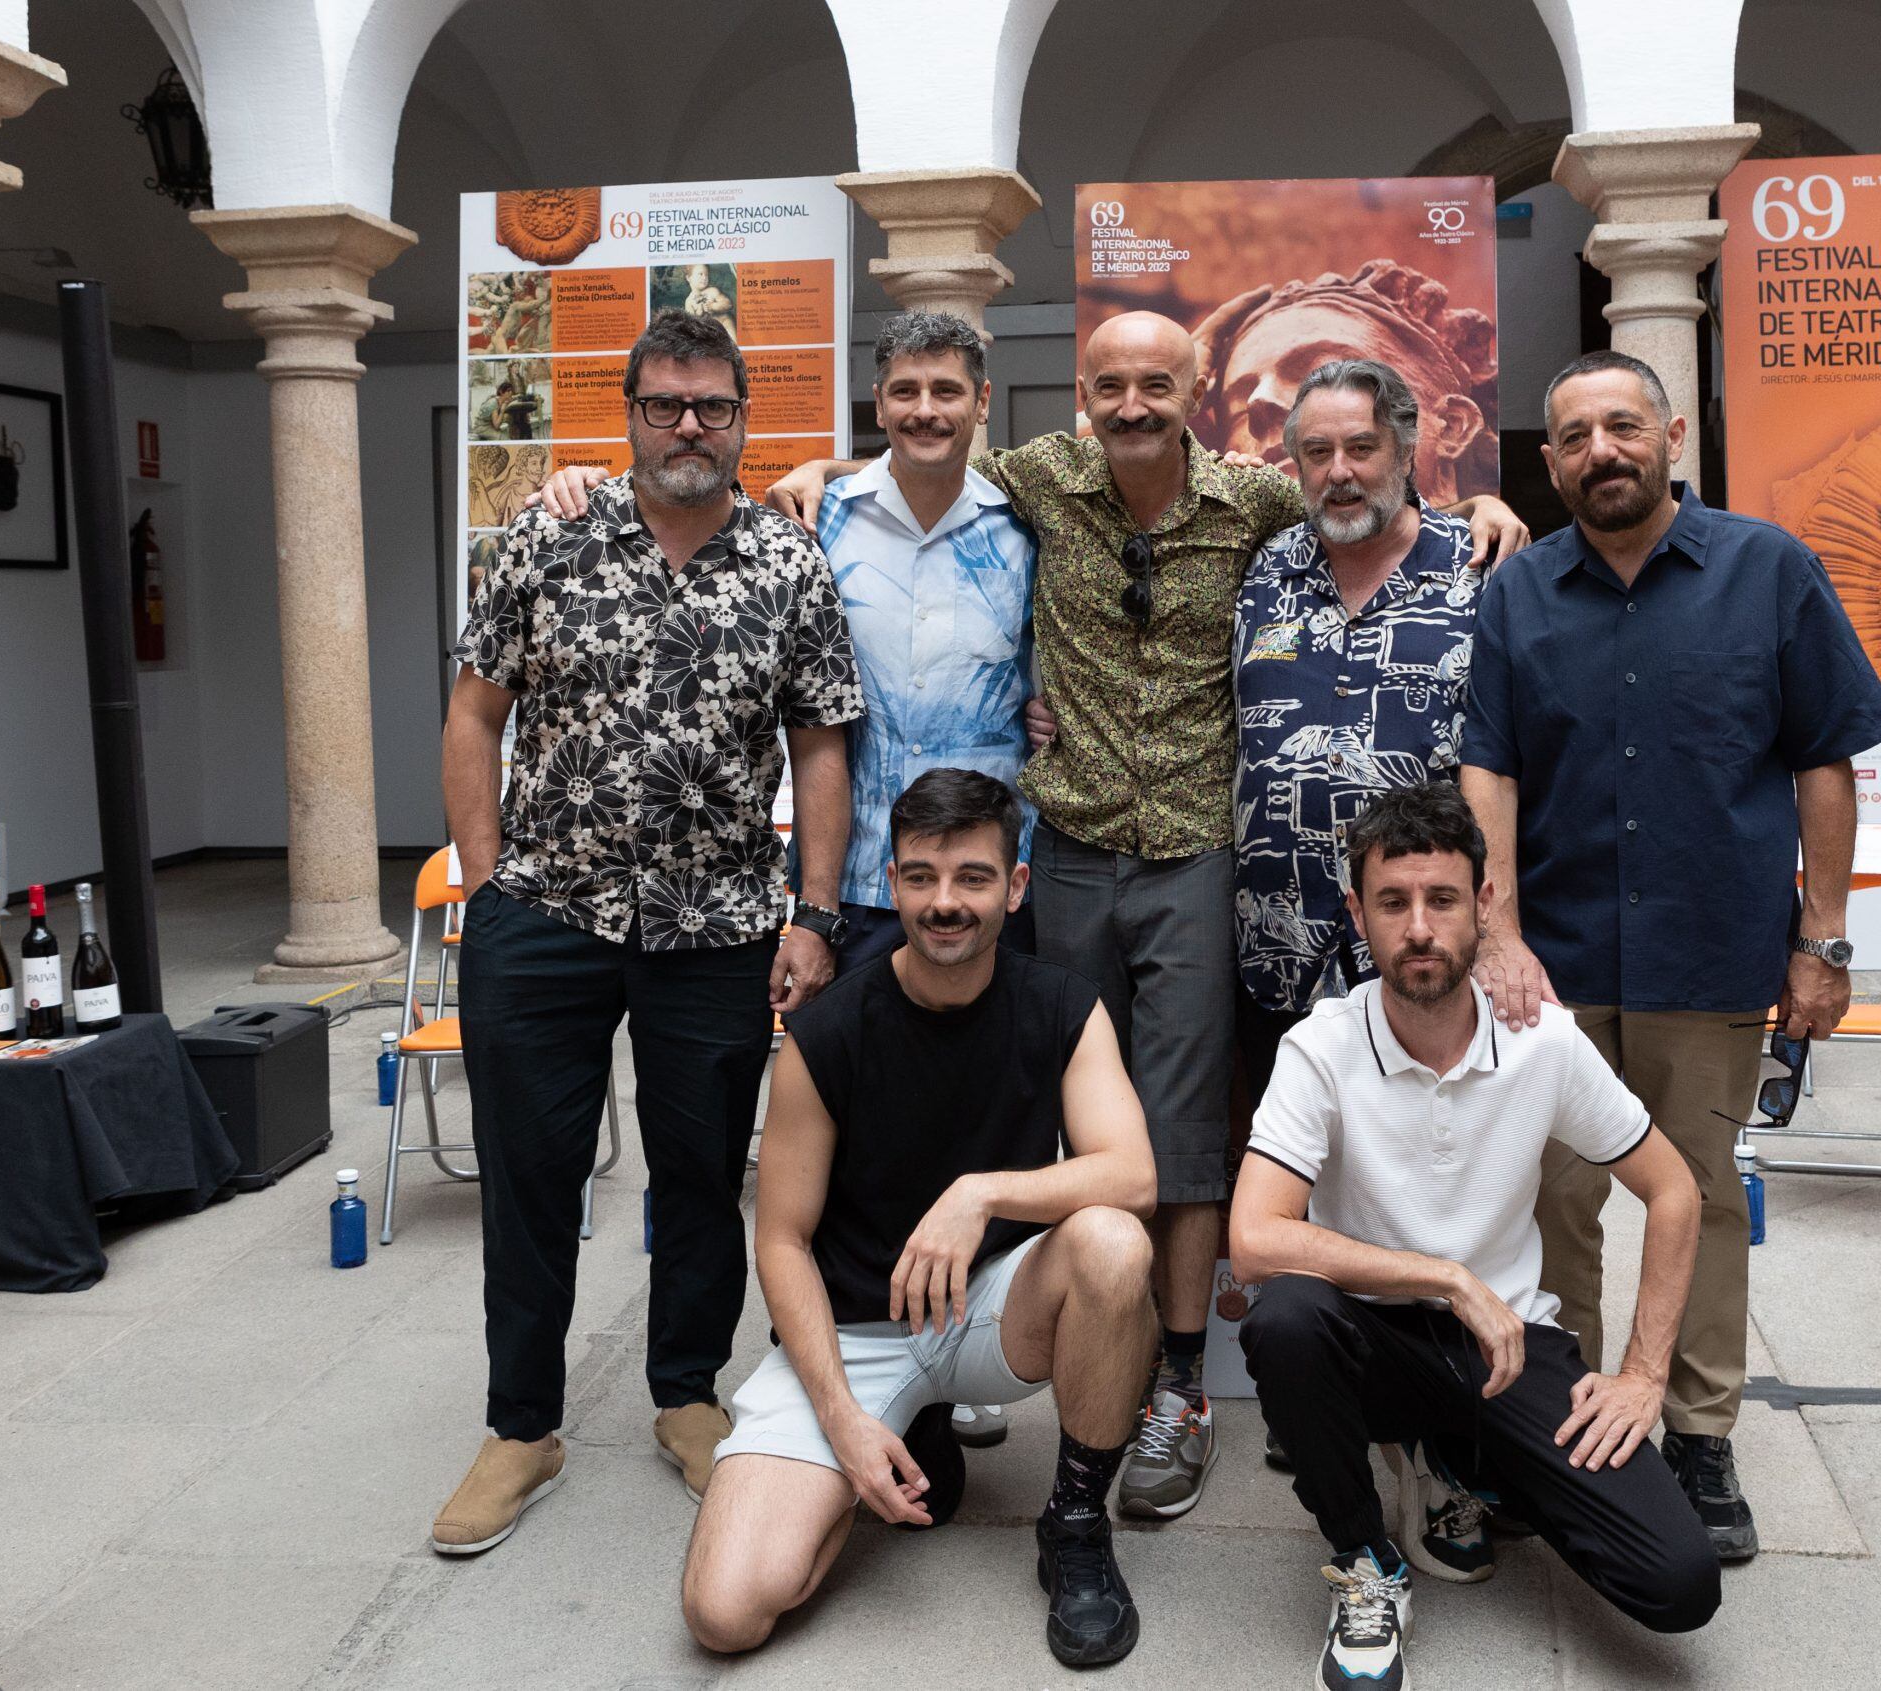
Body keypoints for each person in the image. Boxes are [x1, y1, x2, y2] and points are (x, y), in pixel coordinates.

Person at [767, 313, 1531, 1523]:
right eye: (1110, 384)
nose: (1132, 403)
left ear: (1194, 394)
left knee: (1178, 1123)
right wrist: (810, 472)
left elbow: (1374, 511)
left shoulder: (1252, 503)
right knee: (1064, 1108)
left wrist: (1479, 513)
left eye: (1155, 384)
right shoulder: (1038, 478)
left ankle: (1176, 1382)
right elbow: (919, 457)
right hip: (1063, 847)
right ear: (1083, 394)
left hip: (1192, 851)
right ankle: (1016, 1342)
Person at [539, 308, 1041, 1450]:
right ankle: (829, 1336)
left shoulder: (1026, 519)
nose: (924, 410)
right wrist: (572, 480)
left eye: (946, 391)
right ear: (878, 402)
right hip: (856, 881)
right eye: (905, 389)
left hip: (981, 876)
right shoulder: (811, 516)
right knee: (838, 1130)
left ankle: (958, 1351)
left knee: (976, 1116)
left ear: (979, 399)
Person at [1458, 349, 1881, 1564]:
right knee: (1546, 1197)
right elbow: (1486, 763)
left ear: (1673, 433)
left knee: (1697, 1196)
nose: (1601, 451)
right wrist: (1495, 930)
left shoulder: (1771, 571)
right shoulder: (1517, 594)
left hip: (1711, 944)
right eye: (1573, 437)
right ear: (1546, 464)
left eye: (1622, 425)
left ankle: (1697, 1431)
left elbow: (1824, 757)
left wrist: (1824, 934)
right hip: (1550, 958)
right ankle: (1553, 1419)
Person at [432, 309, 862, 1556]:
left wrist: (814, 913)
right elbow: (474, 713)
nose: (689, 426)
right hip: (546, 914)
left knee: (698, 1172)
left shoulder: (787, 565)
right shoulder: (542, 540)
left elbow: (820, 744)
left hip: (717, 921)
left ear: (743, 421)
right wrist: (486, 881)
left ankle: (684, 1392)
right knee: (530, 1171)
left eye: (713, 407)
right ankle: (524, 1424)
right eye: (666, 404)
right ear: (626, 415)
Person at [1229, 780, 1718, 1691]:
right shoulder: (1321, 1045)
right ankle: (1368, 1557)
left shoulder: (1543, 1041)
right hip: (1368, 1337)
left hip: (1507, 1345)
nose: (1419, 927)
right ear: (1358, 914)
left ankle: (1461, 1458)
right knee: (1287, 1315)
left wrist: (1645, 1374)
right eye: (1393, 902)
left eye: (1443, 899)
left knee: (1678, 1581)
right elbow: (1254, 1236)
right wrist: (1447, 1277)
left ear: (1483, 904)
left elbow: (1675, 1190)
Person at [684, 769, 1158, 1668]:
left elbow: (1133, 1176)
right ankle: (902, 1434)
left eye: (973, 876)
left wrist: (981, 1191)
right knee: (725, 1610)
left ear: (1014, 886)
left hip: (990, 1310)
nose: (947, 902)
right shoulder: (827, 1033)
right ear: (892, 881)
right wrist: (842, 1420)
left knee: (1112, 1240)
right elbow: (780, 1239)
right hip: (856, 1329)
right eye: (922, 876)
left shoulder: (1062, 1004)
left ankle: (1076, 1525)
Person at [1232, 356, 1478, 1105]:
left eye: (1361, 448)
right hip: (1277, 947)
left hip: (1420, 952)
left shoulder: (1482, 570)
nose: (1339, 472)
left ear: (1407, 454)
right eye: (1317, 452)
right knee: (1284, 1176)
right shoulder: (1262, 570)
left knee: (1423, 1172)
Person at [1193, 259, 1499, 505]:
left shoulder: (1496, 573)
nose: (1258, 402)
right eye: (1236, 410)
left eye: (1318, 375)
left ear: (1451, 426)